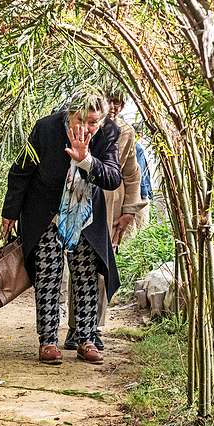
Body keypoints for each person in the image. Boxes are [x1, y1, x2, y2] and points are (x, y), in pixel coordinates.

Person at [1, 90, 122, 365]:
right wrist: (10, 212)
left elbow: (113, 178)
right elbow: (21, 170)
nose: (87, 127)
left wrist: (86, 160)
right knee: (48, 276)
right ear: (70, 114)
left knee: (86, 278)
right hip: (46, 214)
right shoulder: (46, 128)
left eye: (94, 122)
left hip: (85, 217)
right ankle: (48, 342)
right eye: (82, 120)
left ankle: (86, 339)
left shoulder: (108, 133)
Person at [62, 90, 147, 351]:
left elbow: (132, 174)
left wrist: (129, 211)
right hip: (80, 203)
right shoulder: (83, 124)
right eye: (112, 102)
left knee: (100, 269)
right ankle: (76, 327)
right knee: (78, 268)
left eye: (120, 104)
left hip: (111, 207)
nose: (115, 108)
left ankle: (94, 328)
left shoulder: (124, 132)